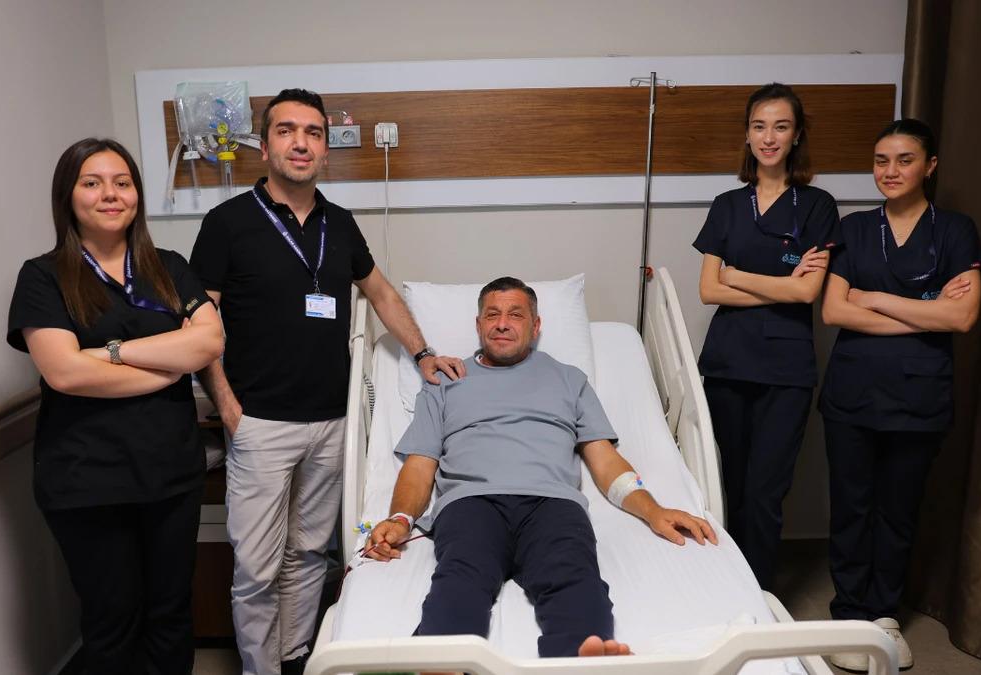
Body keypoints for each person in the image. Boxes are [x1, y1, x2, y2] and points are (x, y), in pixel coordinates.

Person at [189, 88, 464, 675]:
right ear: (265, 146)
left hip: (331, 420)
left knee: (311, 554)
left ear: (325, 149)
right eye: (286, 130)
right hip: (259, 421)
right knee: (256, 568)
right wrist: (229, 408)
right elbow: (199, 325)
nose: (300, 143)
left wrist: (422, 353)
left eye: (313, 133)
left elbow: (381, 293)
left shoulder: (339, 224)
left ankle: (294, 659)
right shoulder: (228, 223)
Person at [366, 277, 717, 659]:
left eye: (515, 315)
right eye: (492, 315)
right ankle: (439, 663)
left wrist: (654, 510)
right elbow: (420, 465)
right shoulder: (443, 382)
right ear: (479, 325)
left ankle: (580, 664)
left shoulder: (569, 379)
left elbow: (604, 460)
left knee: (578, 587)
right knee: (459, 584)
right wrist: (400, 519)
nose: (502, 323)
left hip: (552, 505)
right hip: (471, 503)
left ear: (536, 326)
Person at [7, 138, 224, 674]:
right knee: (113, 621)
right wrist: (167, 364)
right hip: (87, 480)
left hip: (170, 475)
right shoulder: (43, 277)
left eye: (122, 183)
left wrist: (112, 353)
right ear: (68, 195)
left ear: (136, 195)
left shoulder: (169, 267)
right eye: (93, 183)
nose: (110, 194)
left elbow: (209, 341)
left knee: (171, 613)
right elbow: (64, 373)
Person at [818, 119, 981, 672]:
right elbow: (834, 310)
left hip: (919, 397)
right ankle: (849, 613)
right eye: (881, 161)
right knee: (851, 508)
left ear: (930, 166)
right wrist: (927, 310)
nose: (890, 171)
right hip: (852, 393)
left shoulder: (956, 231)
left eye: (905, 160)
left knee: (897, 511)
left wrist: (873, 298)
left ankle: (884, 615)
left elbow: (962, 317)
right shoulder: (854, 228)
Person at [691, 82, 839, 591]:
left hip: (785, 372)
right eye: (759, 126)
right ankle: (725, 591)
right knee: (729, 487)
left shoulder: (817, 205)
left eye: (780, 126)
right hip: (728, 364)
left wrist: (738, 276)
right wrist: (780, 286)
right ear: (748, 135)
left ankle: (756, 598)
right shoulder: (727, 204)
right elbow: (708, 290)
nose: (769, 137)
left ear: (796, 136)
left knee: (765, 492)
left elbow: (808, 293)